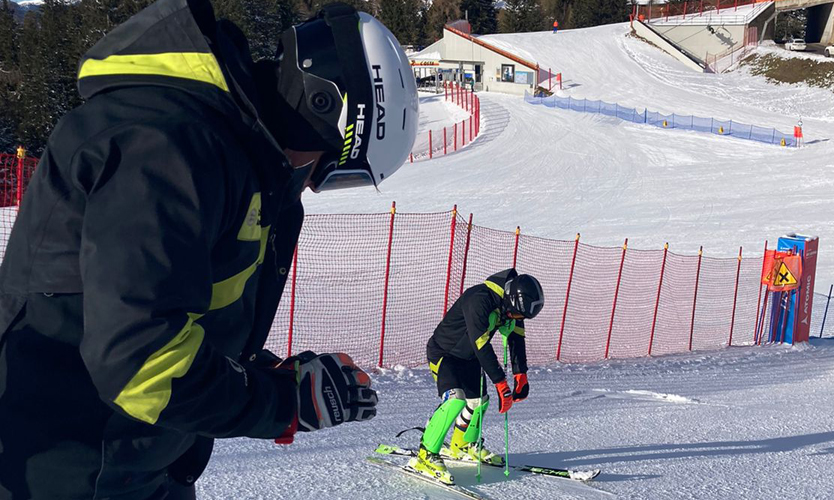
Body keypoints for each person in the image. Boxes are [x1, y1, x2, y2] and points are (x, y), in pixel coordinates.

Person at [0, 0, 418, 498]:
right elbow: (139, 358)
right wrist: (281, 403)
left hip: (141, 460)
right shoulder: (165, 147)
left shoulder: (231, 159)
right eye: (335, 170)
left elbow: (173, 313)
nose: (313, 185)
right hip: (74, 466)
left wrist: (265, 376)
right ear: (320, 107)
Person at [408, 269, 545, 485]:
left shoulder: (511, 306)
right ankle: (425, 454)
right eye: (519, 315)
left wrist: (521, 375)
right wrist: (500, 382)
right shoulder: (479, 299)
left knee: (479, 402)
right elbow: (481, 344)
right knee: (455, 399)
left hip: (470, 357)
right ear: (511, 300)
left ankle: (462, 444)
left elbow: (516, 340)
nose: (519, 319)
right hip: (446, 353)